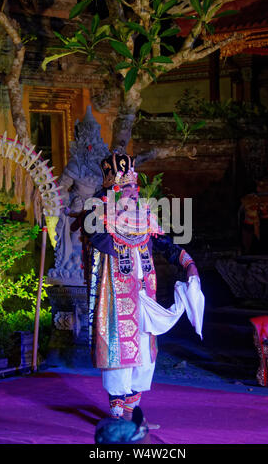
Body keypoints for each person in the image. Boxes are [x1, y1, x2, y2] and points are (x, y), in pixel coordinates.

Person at [82, 152, 204, 422]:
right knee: (119, 356)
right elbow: (99, 240)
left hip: (144, 298)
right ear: (113, 190)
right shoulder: (98, 217)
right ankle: (117, 418)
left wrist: (188, 263)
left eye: (134, 187)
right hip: (116, 300)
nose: (133, 192)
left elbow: (164, 244)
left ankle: (131, 414)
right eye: (126, 188)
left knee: (145, 357)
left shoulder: (144, 216)